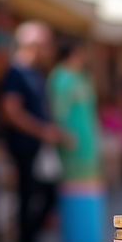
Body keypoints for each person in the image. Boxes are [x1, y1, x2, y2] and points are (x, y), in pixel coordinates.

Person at [0, 21, 67, 242]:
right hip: (24, 145)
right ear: (32, 45)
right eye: (46, 45)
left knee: (46, 194)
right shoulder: (15, 72)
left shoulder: (35, 73)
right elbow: (10, 110)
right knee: (29, 196)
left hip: (37, 145)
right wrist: (41, 131)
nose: (49, 50)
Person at [47, 41, 100, 183]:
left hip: (87, 134)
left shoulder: (82, 75)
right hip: (71, 135)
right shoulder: (60, 77)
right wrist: (63, 133)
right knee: (72, 179)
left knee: (88, 177)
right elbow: (57, 109)